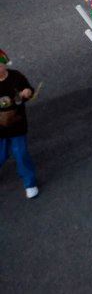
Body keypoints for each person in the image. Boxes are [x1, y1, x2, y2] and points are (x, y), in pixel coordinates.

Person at [0, 49, 38, 199]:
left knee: (21, 154)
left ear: (5, 64)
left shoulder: (16, 77)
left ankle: (30, 183)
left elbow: (29, 90)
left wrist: (28, 92)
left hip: (16, 125)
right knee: (1, 155)